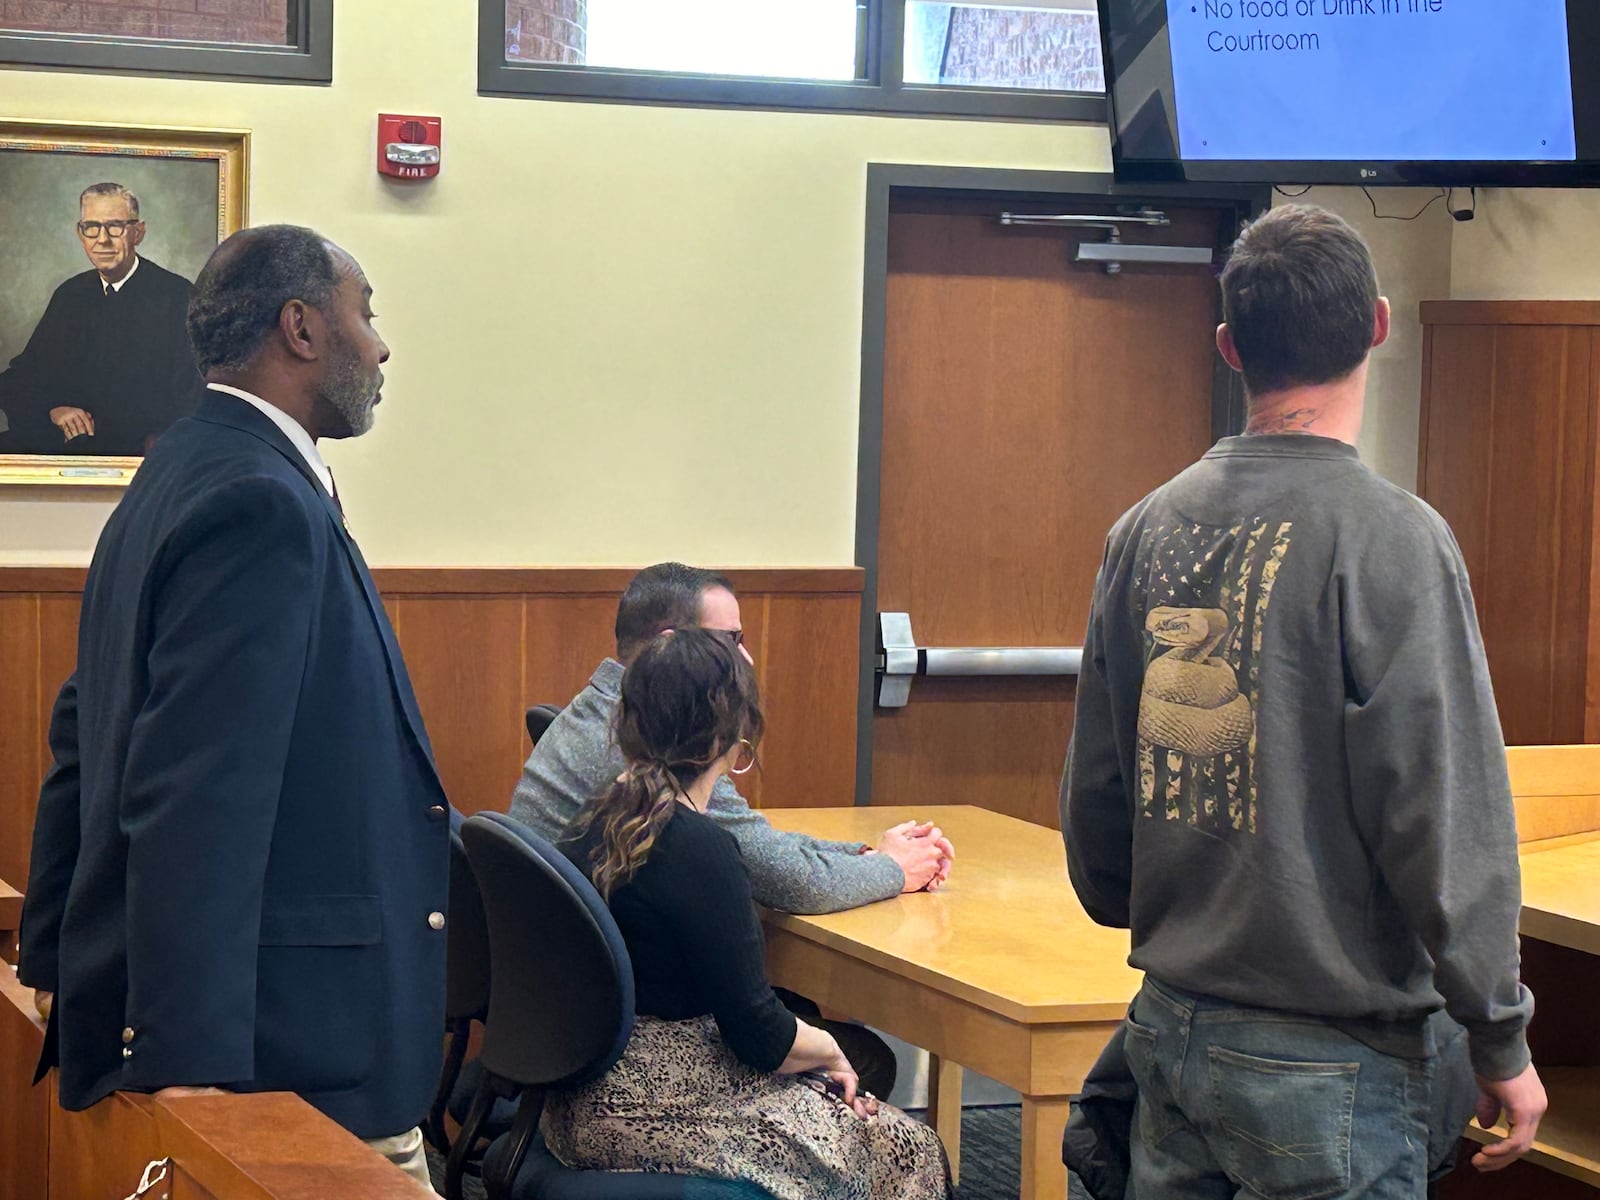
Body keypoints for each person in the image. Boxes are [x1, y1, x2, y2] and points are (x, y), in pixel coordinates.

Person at [1060, 204, 1545, 1199]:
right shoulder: (1392, 540)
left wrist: (1147, 906)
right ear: (1376, 324)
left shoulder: (1143, 529)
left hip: (1170, 1021)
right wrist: (1499, 1033)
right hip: (1329, 1055)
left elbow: (1100, 787)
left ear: (1230, 346)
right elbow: (1440, 808)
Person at [17, 224, 449, 1188]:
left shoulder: (178, 469)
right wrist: (193, 1066)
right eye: (364, 313)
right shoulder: (260, 499)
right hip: (286, 1049)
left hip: (253, 1024)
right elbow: (199, 794)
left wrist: (52, 948)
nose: (379, 347)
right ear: (301, 328)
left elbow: (84, 733)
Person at [510, 560, 954, 1098]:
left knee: (804, 1012)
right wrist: (890, 869)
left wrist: (865, 856)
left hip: (565, 1026)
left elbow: (753, 841)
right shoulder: (660, 763)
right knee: (864, 1064)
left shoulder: (615, 729)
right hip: (624, 1058)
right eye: (729, 640)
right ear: (673, 652)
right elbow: (786, 881)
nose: (744, 657)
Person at [545, 627, 950, 1200]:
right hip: (652, 1109)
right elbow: (761, 1037)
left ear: (627, 721)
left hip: (579, 1097)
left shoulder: (595, 818)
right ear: (734, 737)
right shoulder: (698, 849)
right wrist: (830, 1051)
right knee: (909, 1150)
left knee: (844, 1103)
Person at [0, 182, 206, 456]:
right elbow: (25, 377)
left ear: (138, 232)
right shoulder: (71, 294)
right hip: (66, 443)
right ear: (80, 232)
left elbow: (191, 399)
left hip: (138, 452)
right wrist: (54, 410)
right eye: (92, 227)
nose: (102, 239)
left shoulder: (178, 297)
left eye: (115, 226)